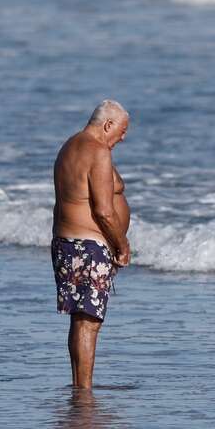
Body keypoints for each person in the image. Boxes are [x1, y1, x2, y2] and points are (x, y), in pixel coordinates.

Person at [52, 99, 133, 391]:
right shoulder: (96, 151)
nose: (123, 137)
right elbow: (103, 210)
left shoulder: (69, 146)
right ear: (108, 125)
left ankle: (80, 387)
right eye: (122, 131)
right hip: (88, 246)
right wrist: (122, 246)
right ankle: (83, 391)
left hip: (68, 242)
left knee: (82, 318)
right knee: (89, 321)